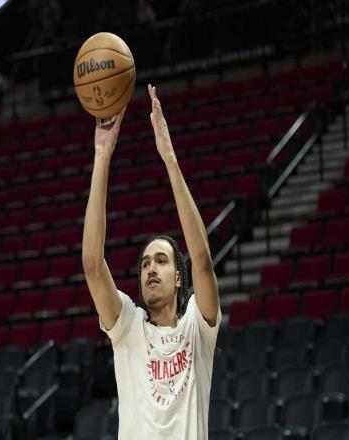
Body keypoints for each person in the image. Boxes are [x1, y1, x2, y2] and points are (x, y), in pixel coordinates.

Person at [82, 84, 221, 439]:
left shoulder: (197, 327)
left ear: (179, 276)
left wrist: (169, 158)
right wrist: (102, 155)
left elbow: (202, 260)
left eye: (161, 261)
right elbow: (93, 265)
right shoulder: (129, 327)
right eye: (145, 264)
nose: (150, 269)